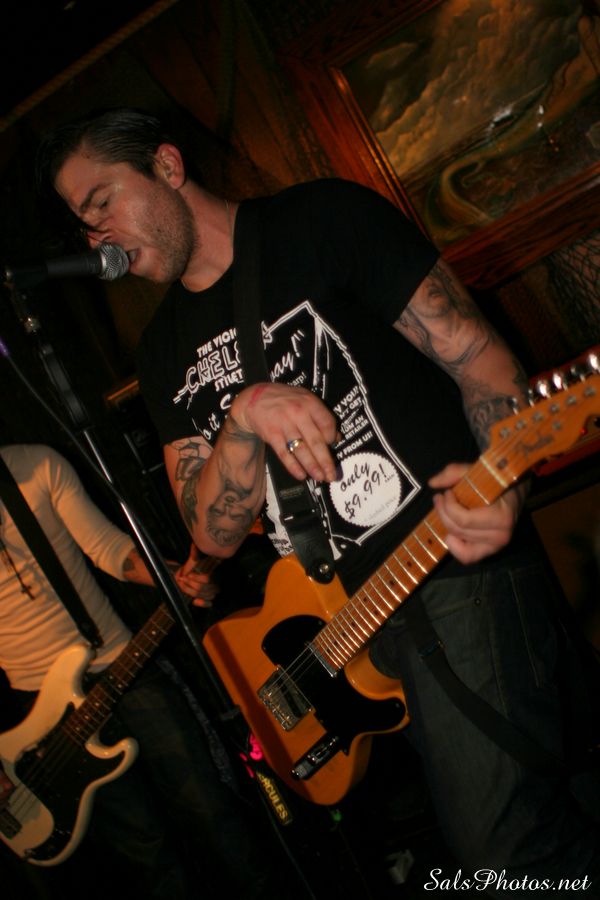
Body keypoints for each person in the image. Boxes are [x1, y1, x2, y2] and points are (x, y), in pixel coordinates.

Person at [35, 108, 599, 895]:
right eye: (84, 224)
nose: (100, 238)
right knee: (563, 809)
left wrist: (505, 481)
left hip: (449, 566)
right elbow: (211, 533)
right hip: (347, 624)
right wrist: (243, 416)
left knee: (501, 856)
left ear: (167, 165)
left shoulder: (322, 220)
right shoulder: (162, 353)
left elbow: (477, 358)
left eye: (103, 203)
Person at [0, 442, 293, 899]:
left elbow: (109, 549)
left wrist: (173, 578)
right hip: (42, 723)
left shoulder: (36, 466)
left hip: (122, 666)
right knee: (148, 854)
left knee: (211, 810)